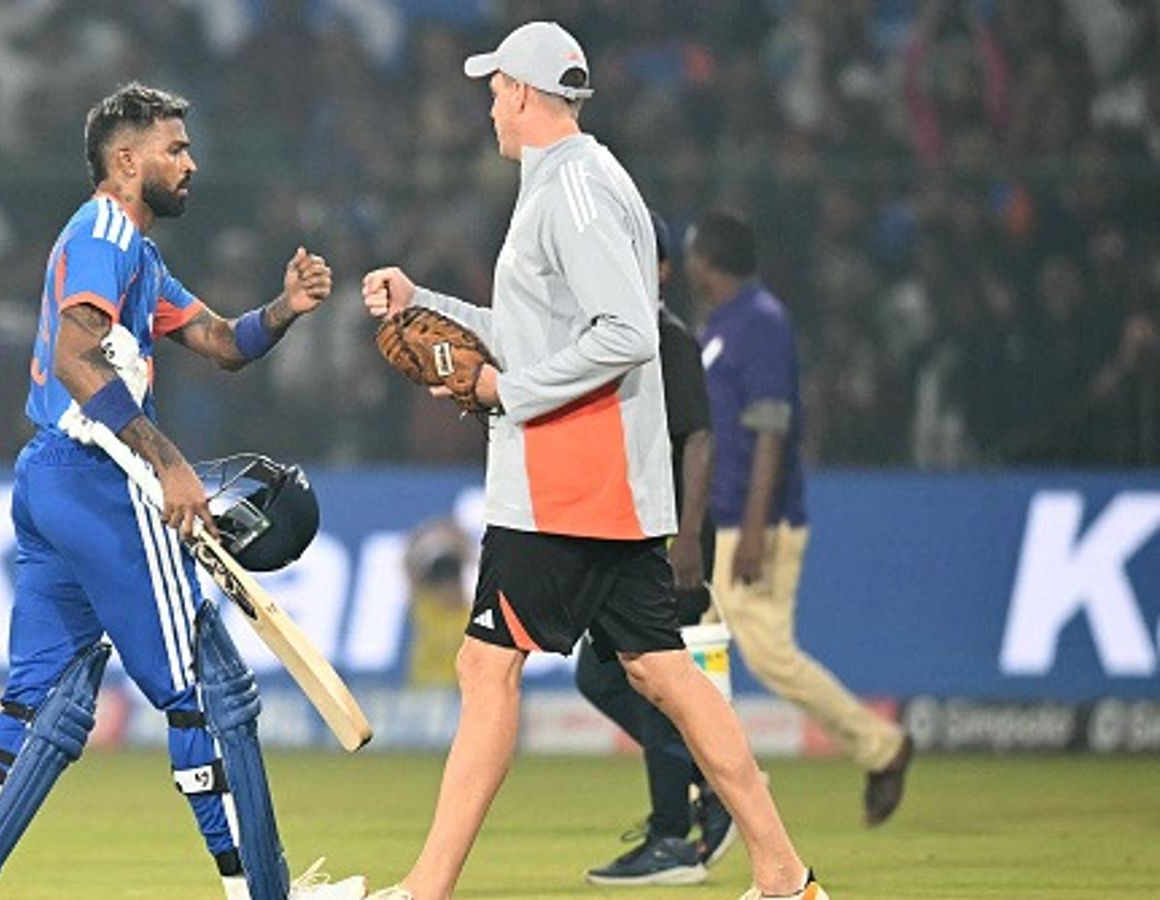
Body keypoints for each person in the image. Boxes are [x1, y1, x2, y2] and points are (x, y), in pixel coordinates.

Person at [359, 22, 827, 900]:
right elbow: (541, 336)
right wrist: (426, 300)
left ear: (528, 95)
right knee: (663, 672)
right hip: (594, 480)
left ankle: (425, 891)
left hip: (566, 483)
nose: (490, 103)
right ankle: (783, 872)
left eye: (497, 88)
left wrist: (507, 393)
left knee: (486, 666)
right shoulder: (572, 183)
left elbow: (626, 332)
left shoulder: (572, 190)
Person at [0, 82, 365, 900]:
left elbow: (221, 342)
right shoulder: (105, 234)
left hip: (49, 478)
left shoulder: (134, 252)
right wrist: (165, 463)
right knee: (208, 690)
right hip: (104, 483)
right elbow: (80, 360)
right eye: (174, 149)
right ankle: (265, 894)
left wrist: (286, 309)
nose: (190, 164)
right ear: (126, 160)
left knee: (42, 705)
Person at [685, 210, 914, 827]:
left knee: (769, 656)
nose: (688, 267)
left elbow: (770, 430)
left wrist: (756, 526)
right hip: (719, 522)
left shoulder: (760, 323)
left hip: (755, 524)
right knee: (690, 650)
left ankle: (883, 747)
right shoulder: (722, 326)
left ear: (709, 261)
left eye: (693, 256)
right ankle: (712, 785)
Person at [574, 211, 733, 886]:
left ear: (663, 270)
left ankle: (673, 835)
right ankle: (713, 783)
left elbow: (697, 439)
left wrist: (688, 540)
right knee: (605, 674)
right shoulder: (616, 339)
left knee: (652, 680)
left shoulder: (668, 341)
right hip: (629, 535)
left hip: (669, 540)